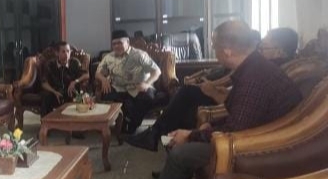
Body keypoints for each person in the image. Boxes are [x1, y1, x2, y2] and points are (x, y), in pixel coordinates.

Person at [112, 21, 302, 179]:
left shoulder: (254, 77)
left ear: (227, 51)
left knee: (182, 152)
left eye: (214, 44)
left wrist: (191, 135)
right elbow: (240, 115)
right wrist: (206, 128)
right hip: (257, 136)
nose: (212, 48)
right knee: (187, 136)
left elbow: (236, 130)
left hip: (262, 150)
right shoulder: (252, 68)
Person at [126, 27, 299, 151]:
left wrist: (215, 94)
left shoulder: (263, 72)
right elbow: (237, 91)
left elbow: (240, 117)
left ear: (280, 52)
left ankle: (159, 138)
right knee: (185, 99)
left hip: (256, 136)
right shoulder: (261, 67)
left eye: (263, 48)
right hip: (238, 107)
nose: (258, 51)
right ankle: (164, 143)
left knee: (186, 98)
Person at [95, 30, 161, 134]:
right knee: (106, 95)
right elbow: (98, 73)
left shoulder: (139, 55)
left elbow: (157, 71)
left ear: (128, 42)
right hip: (119, 88)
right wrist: (103, 79)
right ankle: (124, 121)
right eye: (114, 44)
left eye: (120, 43)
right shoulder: (109, 57)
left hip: (138, 87)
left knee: (147, 98)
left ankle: (133, 124)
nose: (116, 46)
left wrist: (147, 83)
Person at [40, 42, 90, 116]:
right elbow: (44, 83)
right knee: (46, 96)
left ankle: (72, 121)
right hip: (55, 91)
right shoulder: (50, 64)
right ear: (57, 53)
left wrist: (75, 81)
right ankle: (46, 121)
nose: (66, 54)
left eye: (68, 51)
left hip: (70, 90)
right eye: (63, 52)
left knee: (78, 95)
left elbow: (86, 75)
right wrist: (54, 92)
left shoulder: (75, 62)